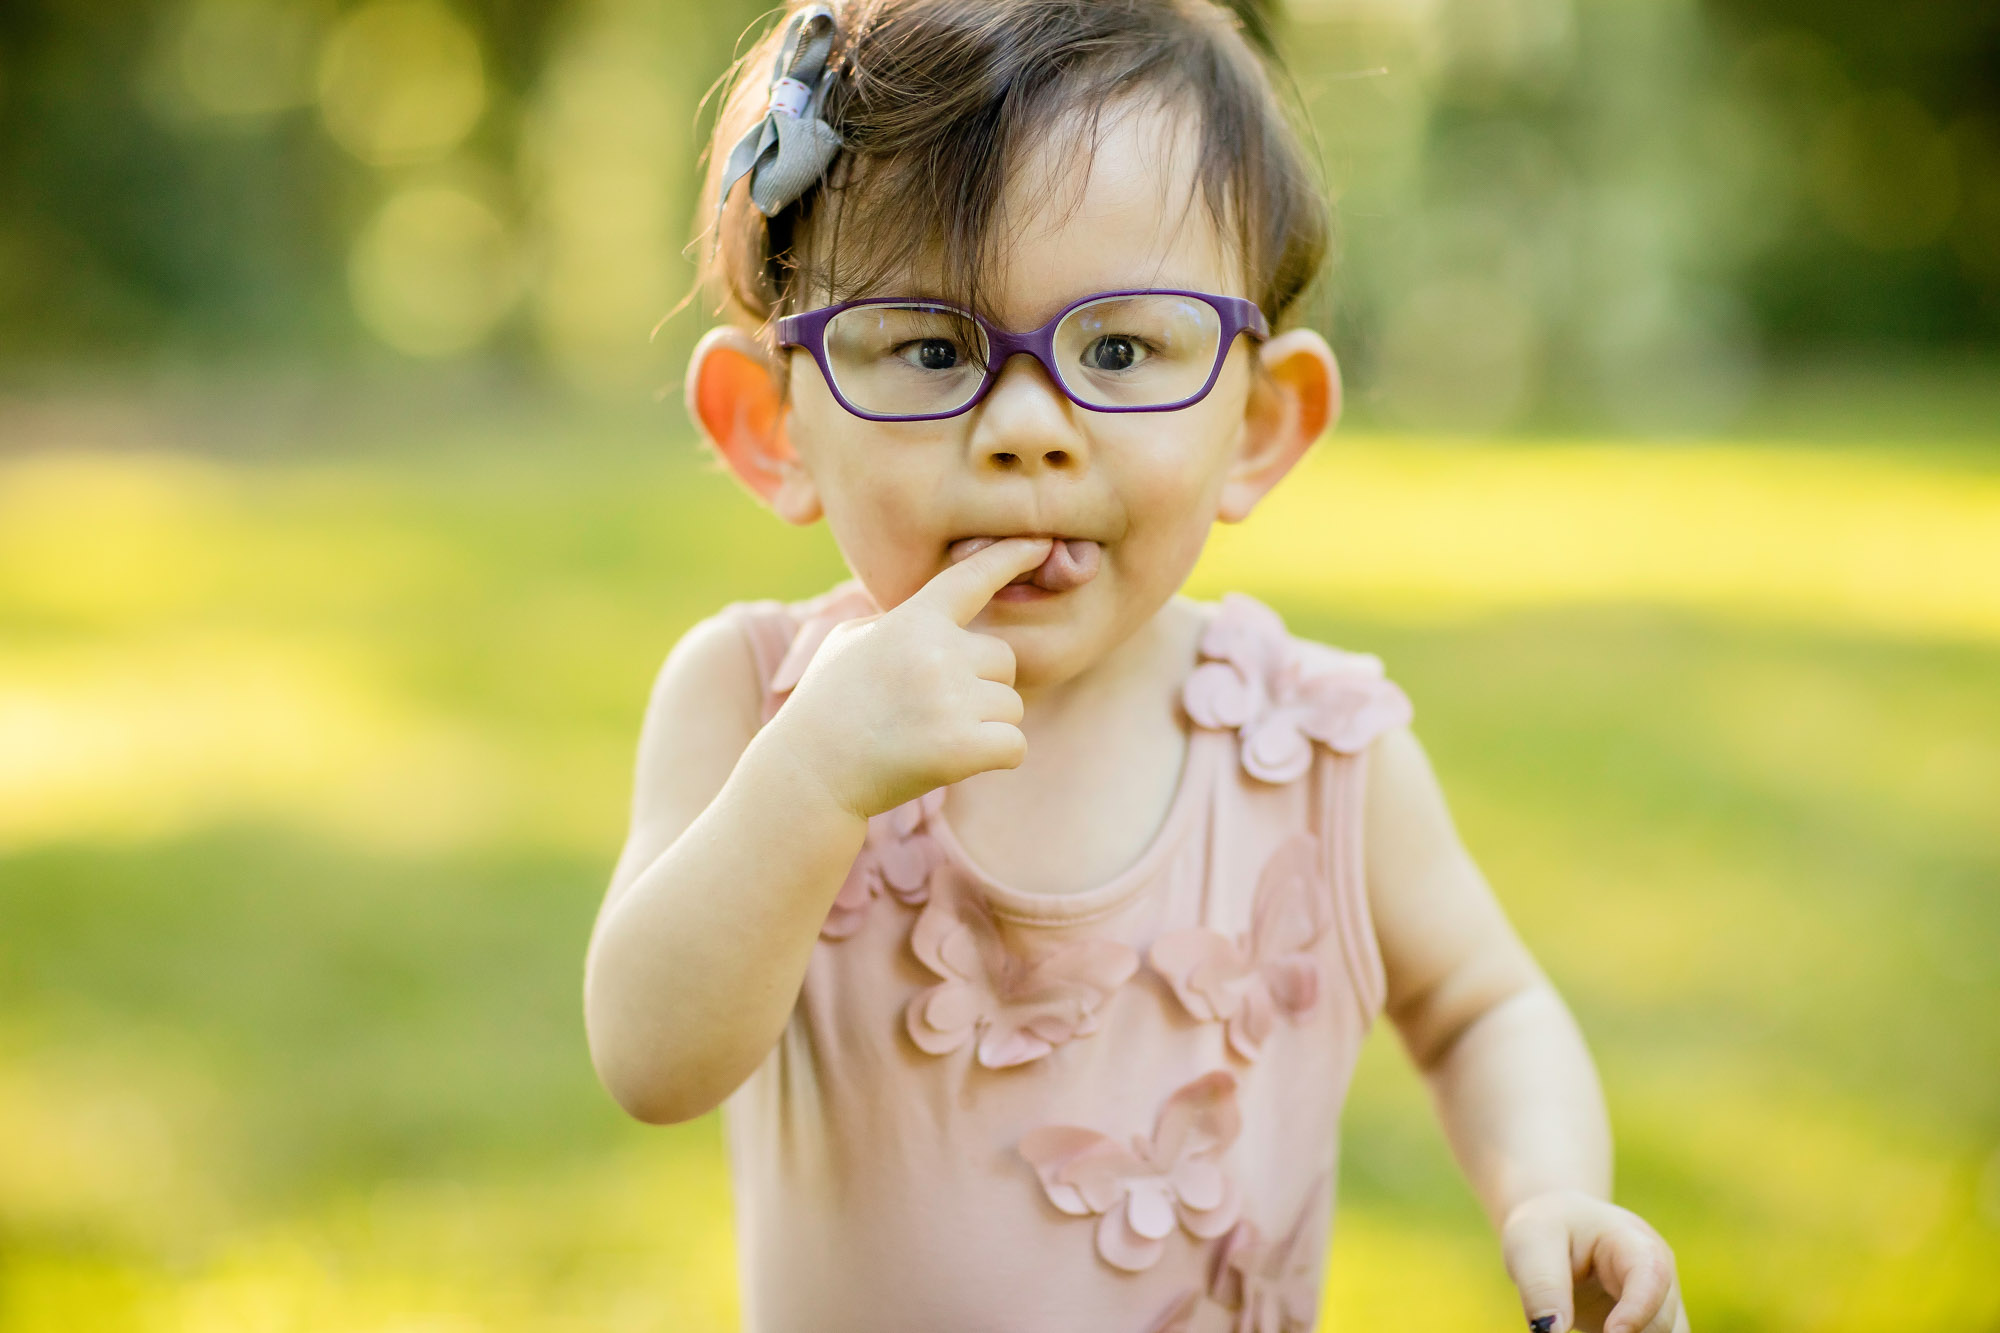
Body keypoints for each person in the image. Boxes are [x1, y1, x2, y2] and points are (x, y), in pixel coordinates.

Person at [583, 2, 1690, 1330]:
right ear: (772, 426)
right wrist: (811, 778)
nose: (1029, 426)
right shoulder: (751, 699)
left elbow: (1480, 1004)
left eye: (1119, 349)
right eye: (931, 347)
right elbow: (651, 1057)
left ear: (1259, 426)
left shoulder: (1319, 748)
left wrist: (1552, 1190)